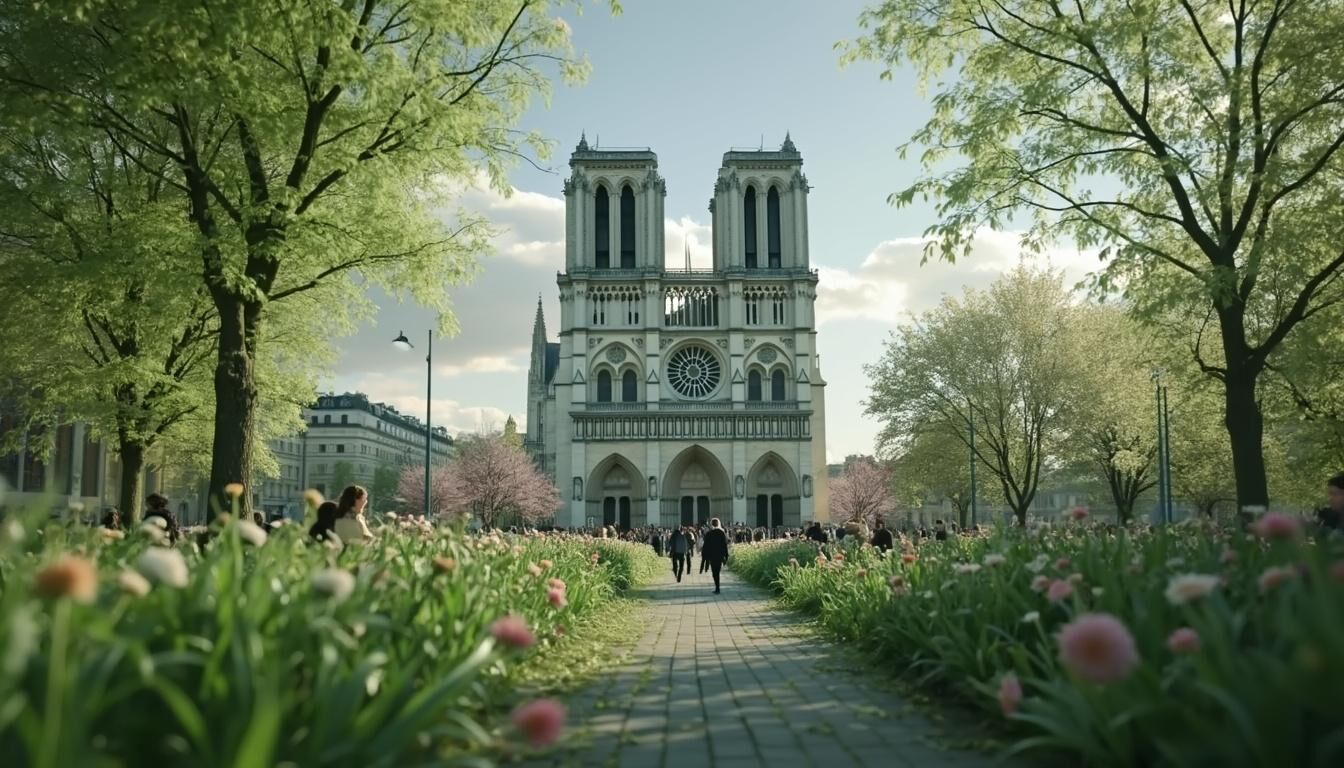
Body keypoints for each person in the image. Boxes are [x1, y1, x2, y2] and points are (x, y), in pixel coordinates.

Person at [701, 518, 730, 594]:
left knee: (714, 572)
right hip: (719, 555)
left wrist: (705, 557)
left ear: (711, 524)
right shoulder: (722, 533)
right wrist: (726, 555)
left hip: (712, 556)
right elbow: (724, 545)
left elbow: (706, 546)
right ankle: (718, 587)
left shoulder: (709, 534)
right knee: (717, 571)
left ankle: (717, 588)